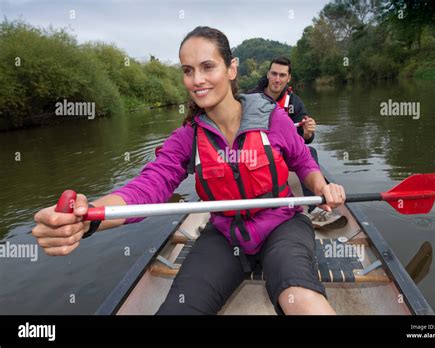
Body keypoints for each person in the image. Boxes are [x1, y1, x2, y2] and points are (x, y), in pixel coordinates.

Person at [32, 27, 346, 315]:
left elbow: (304, 161)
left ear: (231, 69)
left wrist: (320, 186)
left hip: (282, 225)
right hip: (226, 235)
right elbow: (147, 189)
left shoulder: (272, 118)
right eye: (187, 70)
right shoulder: (188, 138)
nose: (197, 80)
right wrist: (88, 218)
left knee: (300, 297)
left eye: (208, 67)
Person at [249, 57, 345, 229]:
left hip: (283, 155)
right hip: (255, 155)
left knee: (311, 152)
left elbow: (303, 140)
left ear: (288, 78)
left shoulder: (295, 103)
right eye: (274, 74)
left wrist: (308, 134)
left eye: (282, 75)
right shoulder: (250, 98)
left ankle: (316, 208)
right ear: (268, 74)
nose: (277, 79)